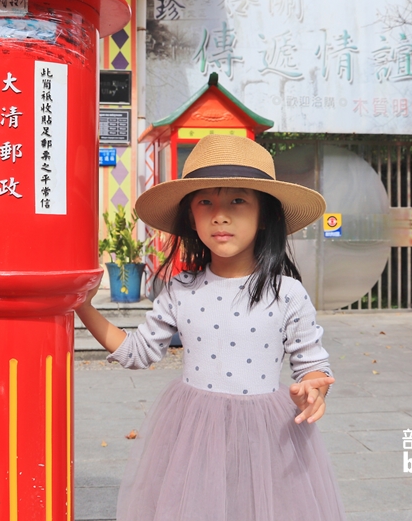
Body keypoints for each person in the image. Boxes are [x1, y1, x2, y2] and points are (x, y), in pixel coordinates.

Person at [76, 134, 346, 521]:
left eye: (238, 200)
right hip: (192, 433)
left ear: (264, 213)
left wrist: (313, 389)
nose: (220, 214)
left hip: (267, 436)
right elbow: (138, 352)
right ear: (190, 215)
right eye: (206, 201)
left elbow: (312, 364)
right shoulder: (181, 289)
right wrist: (82, 306)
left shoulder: (286, 292)